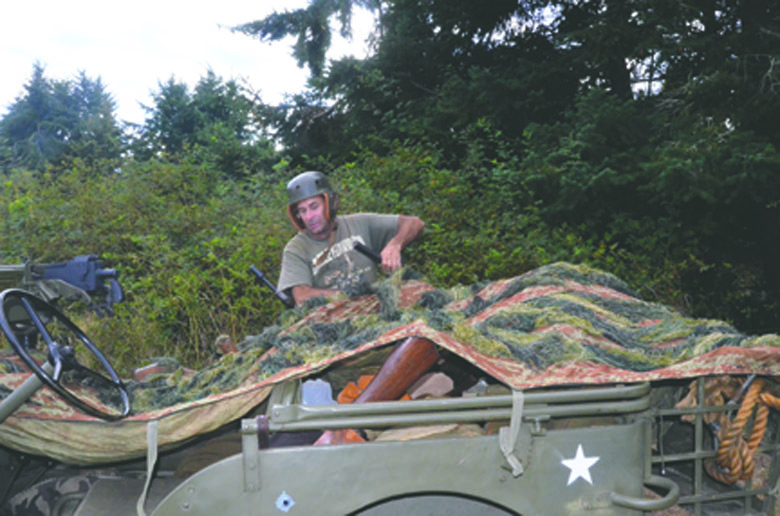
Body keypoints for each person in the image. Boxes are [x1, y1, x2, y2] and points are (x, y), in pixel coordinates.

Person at [278, 171, 424, 306]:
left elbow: (414, 223)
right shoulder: (296, 249)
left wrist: (395, 244)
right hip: (332, 321)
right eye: (302, 211)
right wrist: (348, 296)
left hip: (376, 309)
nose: (309, 217)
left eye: (314, 206)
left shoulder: (360, 223)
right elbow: (302, 296)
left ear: (329, 204)